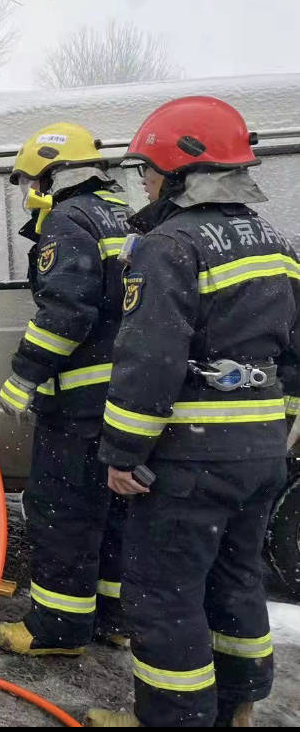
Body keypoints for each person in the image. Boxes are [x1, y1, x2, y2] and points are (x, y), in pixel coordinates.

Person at [85, 97, 298, 727]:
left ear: (181, 171)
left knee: (164, 597)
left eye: (148, 170)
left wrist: (122, 454)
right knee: (236, 584)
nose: (144, 184)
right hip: (260, 456)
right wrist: (273, 426)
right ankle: (238, 710)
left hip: (191, 460)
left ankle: (171, 720)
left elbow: (148, 359)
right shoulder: (278, 243)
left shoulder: (168, 246)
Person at [0, 123, 132, 657]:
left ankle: (57, 629)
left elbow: (66, 313)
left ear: (53, 174)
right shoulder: (125, 214)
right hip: (130, 399)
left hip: (81, 405)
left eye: (31, 181)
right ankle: (113, 618)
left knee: (63, 511)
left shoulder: (70, 220)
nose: (29, 194)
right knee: (117, 512)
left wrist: (24, 375)